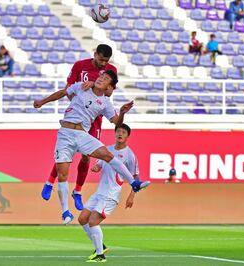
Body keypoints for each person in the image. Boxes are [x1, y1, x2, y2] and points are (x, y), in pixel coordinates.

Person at [33, 70, 150, 224]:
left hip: (83, 135)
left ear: (109, 86)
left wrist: (122, 112)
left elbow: (116, 122)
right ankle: (65, 212)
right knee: (62, 175)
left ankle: (134, 183)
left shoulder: (105, 103)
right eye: (102, 76)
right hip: (65, 134)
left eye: (106, 79)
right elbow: (62, 93)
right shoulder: (81, 86)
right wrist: (42, 102)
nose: (102, 79)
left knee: (108, 155)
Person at [41, 44, 118, 211]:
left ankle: (78, 191)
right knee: (65, 153)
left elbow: (109, 93)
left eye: (106, 61)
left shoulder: (111, 70)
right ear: (95, 54)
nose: (103, 63)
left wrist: (94, 85)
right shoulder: (80, 66)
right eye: (101, 59)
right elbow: (68, 89)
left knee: (85, 156)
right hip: (77, 115)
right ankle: (49, 181)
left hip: (95, 117)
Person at [78, 123, 142, 263]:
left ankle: (100, 255)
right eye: (118, 131)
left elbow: (136, 177)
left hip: (111, 195)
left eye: (123, 132)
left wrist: (131, 196)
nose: (120, 134)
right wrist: (96, 167)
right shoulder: (107, 149)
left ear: (127, 136)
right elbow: (100, 163)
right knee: (82, 218)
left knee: (93, 221)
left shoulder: (130, 156)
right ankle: (101, 246)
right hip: (99, 192)